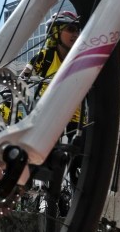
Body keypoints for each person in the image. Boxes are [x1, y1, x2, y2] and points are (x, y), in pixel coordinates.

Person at [20, 11, 83, 201]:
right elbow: (23, 78)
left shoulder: (80, 57)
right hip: (49, 114)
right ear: (55, 32)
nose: (75, 34)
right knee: (43, 155)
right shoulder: (45, 57)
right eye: (70, 29)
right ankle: (29, 189)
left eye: (77, 30)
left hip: (76, 116)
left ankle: (75, 199)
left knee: (78, 160)